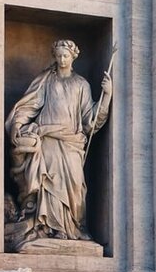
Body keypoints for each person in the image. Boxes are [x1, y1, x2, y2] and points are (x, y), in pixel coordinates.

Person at [6, 39, 111, 247]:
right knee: (49, 184)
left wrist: (107, 95)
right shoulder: (46, 80)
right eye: (59, 56)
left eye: (66, 56)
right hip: (48, 140)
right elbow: (30, 105)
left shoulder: (81, 84)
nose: (62, 59)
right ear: (55, 57)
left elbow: (90, 118)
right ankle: (50, 228)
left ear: (73, 57)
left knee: (75, 186)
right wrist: (18, 124)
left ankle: (73, 227)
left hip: (71, 142)